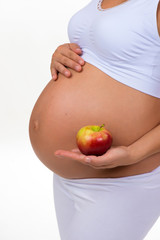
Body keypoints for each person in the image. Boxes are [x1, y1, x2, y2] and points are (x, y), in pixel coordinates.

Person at [29, 0, 160, 239]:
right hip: (70, 174)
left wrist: (133, 153)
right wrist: (62, 55)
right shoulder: (100, 3)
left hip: (122, 178)